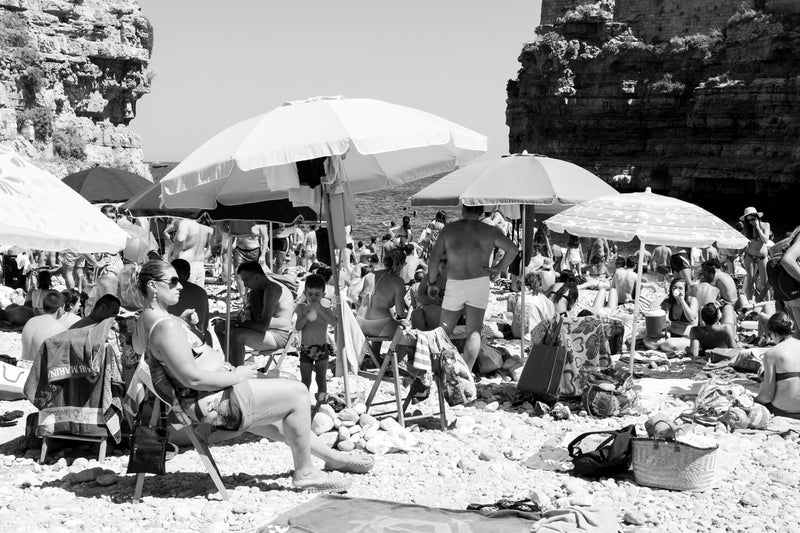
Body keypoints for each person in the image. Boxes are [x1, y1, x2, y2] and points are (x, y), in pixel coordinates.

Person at [132, 260, 371, 491]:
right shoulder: (165, 326)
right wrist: (238, 375)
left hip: (205, 397)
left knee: (277, 411)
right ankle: (305, 472)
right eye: (173, 281)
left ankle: (333, 458)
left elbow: (147, 350)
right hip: (214, 402)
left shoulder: (146, 319)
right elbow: (193, 379)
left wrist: (182, 325)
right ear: (153, 286)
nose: (181, 286)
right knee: (297, 392)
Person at [427, 204, 518, 370]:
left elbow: (434, 258)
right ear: (482, 212)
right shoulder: (491, 230)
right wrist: (498, 267)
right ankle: (467, 373)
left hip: (455, 282)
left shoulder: (449, 229)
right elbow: (512, 249)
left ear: (463, 210)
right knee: (474, 331)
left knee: (444, 331)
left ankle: (440, 371)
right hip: (479, 282)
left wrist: (432, 282)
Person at [218, 261, 294, 367]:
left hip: (278, 336)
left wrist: (237, 324)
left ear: (257, 277)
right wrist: (235, 322)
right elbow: (252, 318)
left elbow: (263, 325)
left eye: (246, 281)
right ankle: (231, 365)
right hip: (264, 332)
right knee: (220, 327)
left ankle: (238, 371)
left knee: (238, 335)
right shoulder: (257, 290)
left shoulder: (272, 290)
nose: (245, 285)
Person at [357, 249, 407, 357]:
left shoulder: (371, 274)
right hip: (381, 326)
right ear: (401, 264)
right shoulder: (398, 281)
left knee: (383, 319)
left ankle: (375, 357)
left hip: (360, 323)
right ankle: (395, 361)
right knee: (406, 331)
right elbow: (400, 312)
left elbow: (351, 293)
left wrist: (361, 304)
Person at [294, 274, 336, 397]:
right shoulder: (301, 308)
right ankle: (304, 402)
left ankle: (320, 402)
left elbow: (334, 323)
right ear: (305, 293)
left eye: (317, 294)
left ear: (323, 294)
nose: (313, 298)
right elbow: (298, 327)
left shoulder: (326, 309)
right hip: (305, 349)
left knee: (321, 379)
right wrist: (307, 316)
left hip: (321, 349)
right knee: (305, 380)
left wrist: (320, 310)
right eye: (310, 294)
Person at [755, 312, 800, 419]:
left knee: (763, 383)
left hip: (784, 412)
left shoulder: (772, 353)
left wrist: (754, 401)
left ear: (773, 333)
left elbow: (767, 396)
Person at [20, 291, 67, 362]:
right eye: (64, 309)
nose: (64, 312)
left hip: (22, 364)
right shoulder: (59, 329)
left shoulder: (30, 321)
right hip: (38, 367)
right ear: (60, 310)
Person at [168, 258, 210, 337]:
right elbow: (205, 324)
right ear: (188, 275)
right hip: (196, 337)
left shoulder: (167, 291)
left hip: (175, 336)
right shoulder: (201, 292)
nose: (180, 287)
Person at [658, 277, 698, 353]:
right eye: (674, 288)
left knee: (668, 344)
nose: (677, 290)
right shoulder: (670, 302)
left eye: (680, 288)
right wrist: (666, 294)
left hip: (687, 338)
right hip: (672, 335)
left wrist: (682, 300)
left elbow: (691, 318)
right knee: (649, 342)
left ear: (686, 290)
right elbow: (652, 308)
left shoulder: (692, 300)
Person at [170, 219, 212, 287]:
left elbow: (180, 239)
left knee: (182, 291)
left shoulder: (185, 222)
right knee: (198, 292)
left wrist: (175, 256)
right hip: (200, 263)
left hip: (186, 264)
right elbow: (211, 249)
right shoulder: (206, 224)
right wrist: (203, 258)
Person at [741, 207, 771, 302]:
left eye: (753, 219)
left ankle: (768, 303)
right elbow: (743, 242)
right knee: (749, 282)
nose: (751, 222)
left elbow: (765, 240)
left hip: (762, 257)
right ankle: (750, 303)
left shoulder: (765, 225)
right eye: (748, 220)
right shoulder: (747, 228)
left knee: (764, 283)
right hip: (749, 256)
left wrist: (757, 227)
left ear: (757, 217)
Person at [410, 259, 448, 331]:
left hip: (446, 314)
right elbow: (419, 297)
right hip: (427, 311)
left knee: (434, 312)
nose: (442, 264)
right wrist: (434, 301)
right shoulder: (429, 277)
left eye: (445, 261)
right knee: (416, 314)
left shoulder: (457, 279)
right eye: (440, 260)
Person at [779, 225, 800, 337]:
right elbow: (787, 260)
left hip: (790, 294)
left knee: (796, 337)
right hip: (796, 294)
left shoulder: (796, 232)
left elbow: (773, 250)